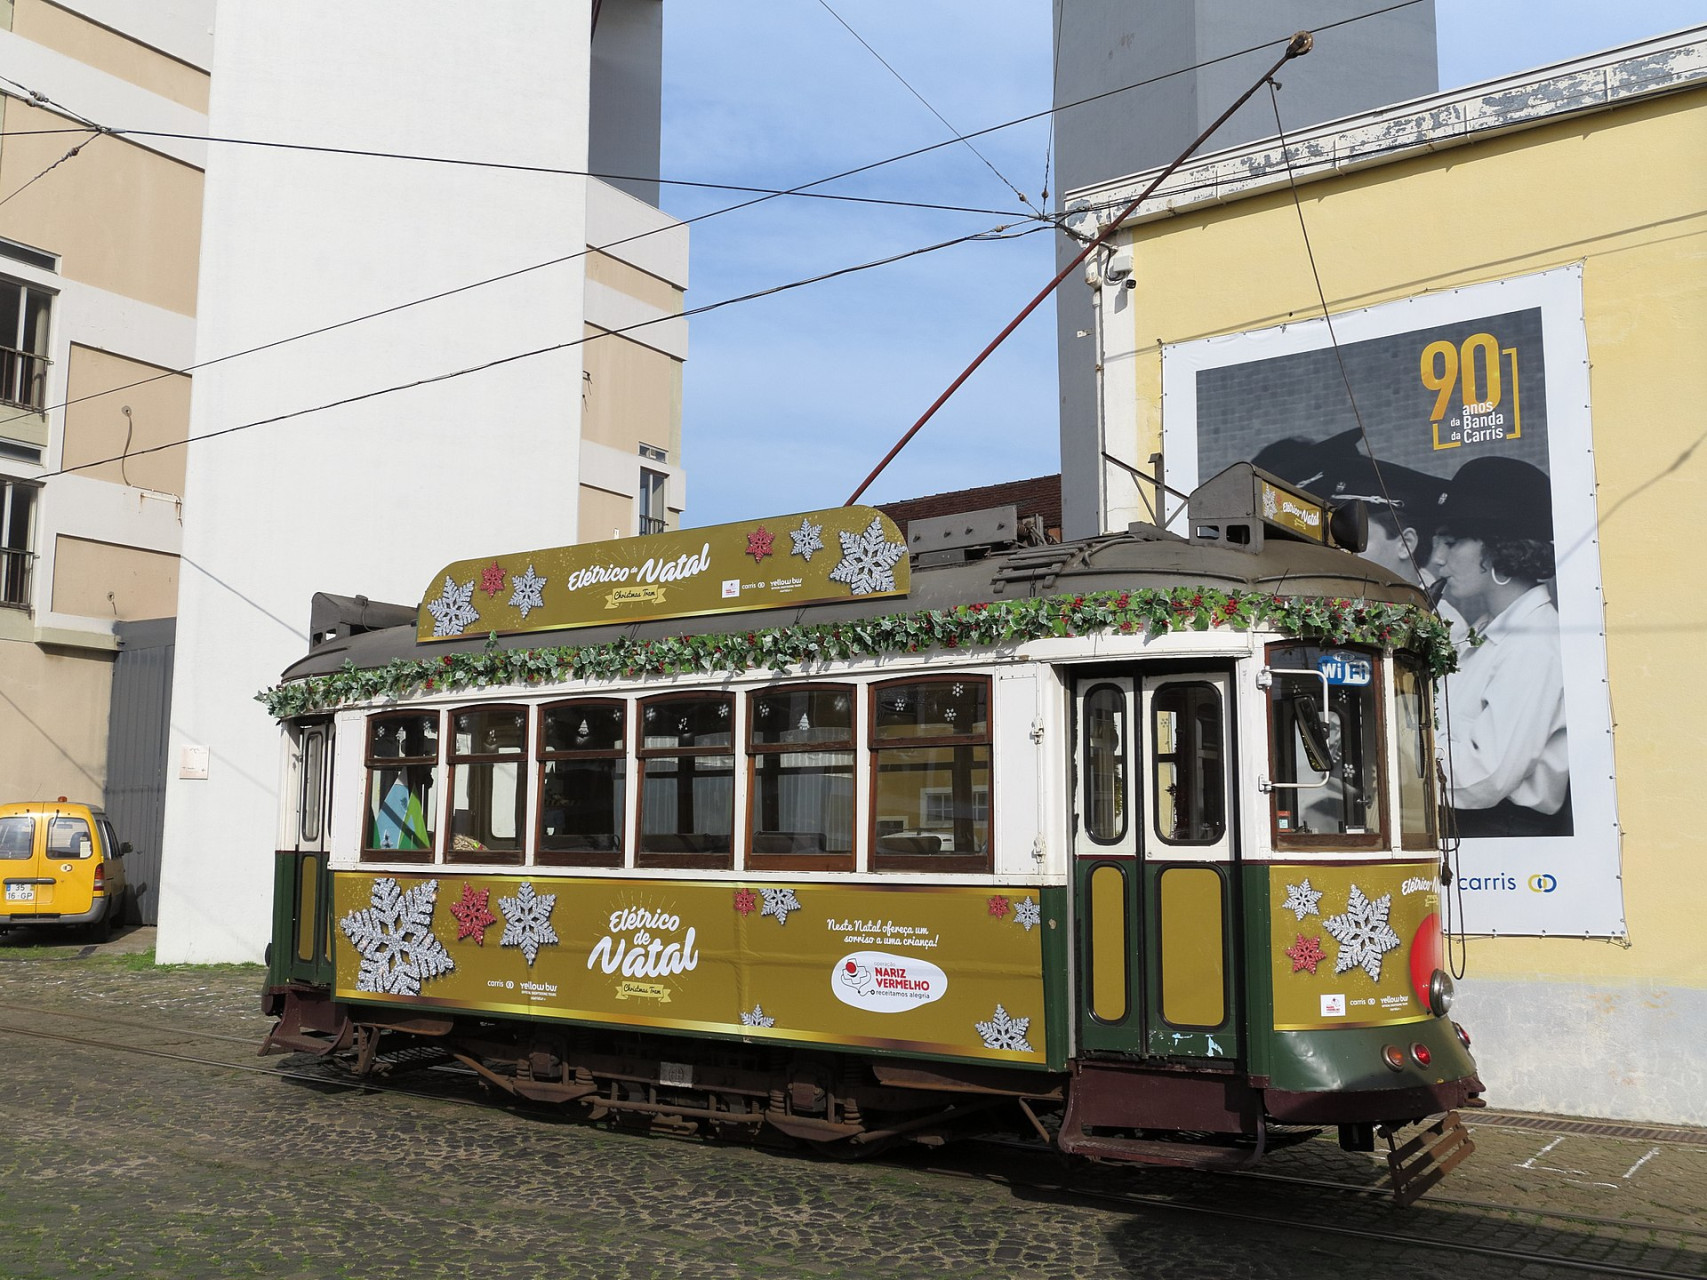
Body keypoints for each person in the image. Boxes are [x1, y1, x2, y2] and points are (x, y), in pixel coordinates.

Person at [1428, 456, 1571, 837]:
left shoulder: (1534, 643)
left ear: (1496, 548)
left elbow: (1486, 776)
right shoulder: (1486, 634)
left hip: (1502, 838)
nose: (1438, 560)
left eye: (1452, 542)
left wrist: (1395, 754)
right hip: (1469, 827)